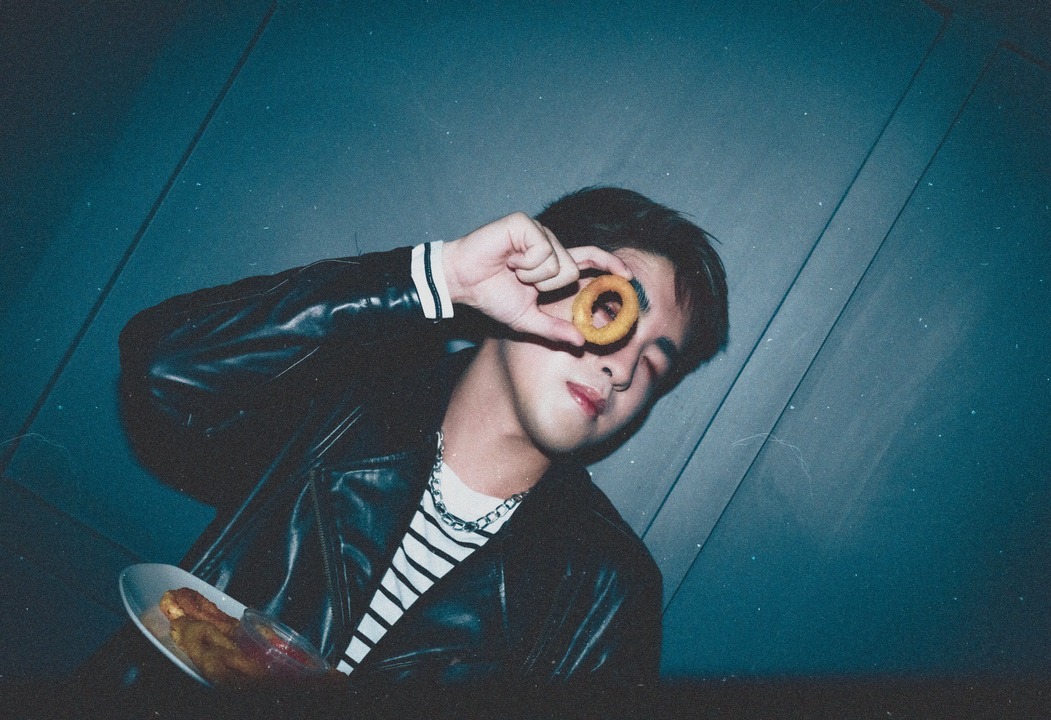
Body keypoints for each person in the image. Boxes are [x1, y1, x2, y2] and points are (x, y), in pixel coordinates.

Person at [114, 186, 728, 715]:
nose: (621, 367)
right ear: (537, 275)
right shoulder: (340, 406)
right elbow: (163, 372)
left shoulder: (609, 591)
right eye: (615, 309)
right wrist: (440, 278)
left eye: (653, 361)